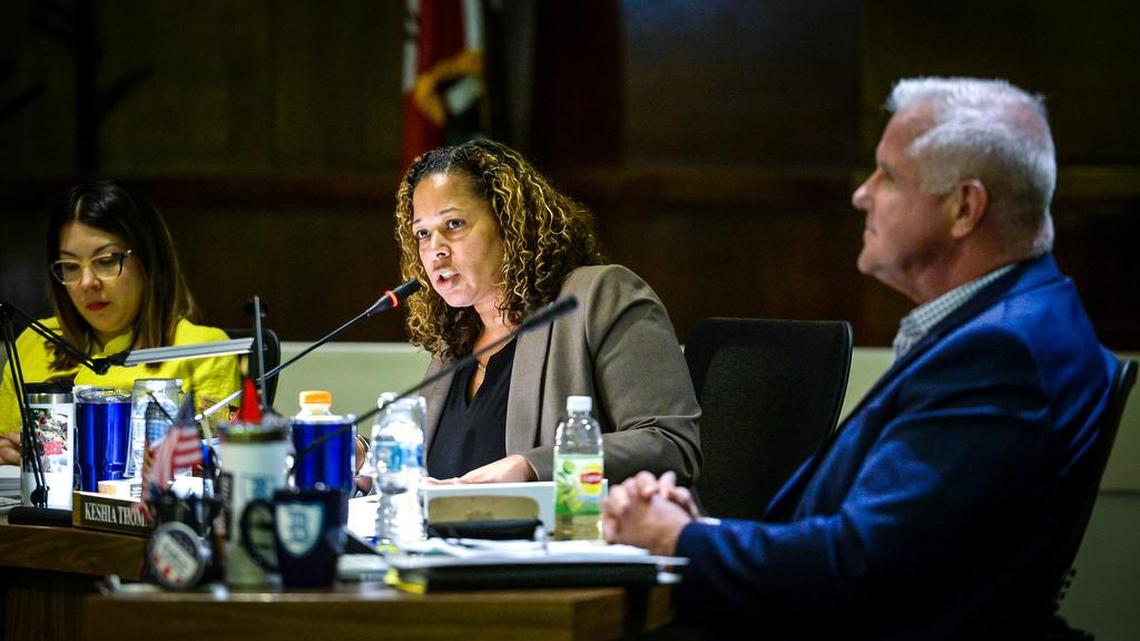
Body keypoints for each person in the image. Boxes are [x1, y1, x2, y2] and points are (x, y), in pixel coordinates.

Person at [602, 77, 1119, 640]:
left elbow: (858, 571)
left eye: (888, 175)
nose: (861, 194)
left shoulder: (999, 352)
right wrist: (703, 530)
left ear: (964, 208)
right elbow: (898, 542)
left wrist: (679, 539)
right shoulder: (1029, 315)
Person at [393, 139, 701, 485]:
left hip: (576, 520)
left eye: (454, 224)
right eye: (422, 233)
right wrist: (368, 464)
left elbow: (670, 445)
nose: (435, 249)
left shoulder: (599, 297)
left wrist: (533, 466)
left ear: (508, 222)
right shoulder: (455, 343)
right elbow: (431, 476)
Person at [0, 180, 241, 466]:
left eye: (105, 261)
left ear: (148, 260)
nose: (87, 282)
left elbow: (217, 465)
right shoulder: (34, 342)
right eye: (70, 267)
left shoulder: (204, 351)